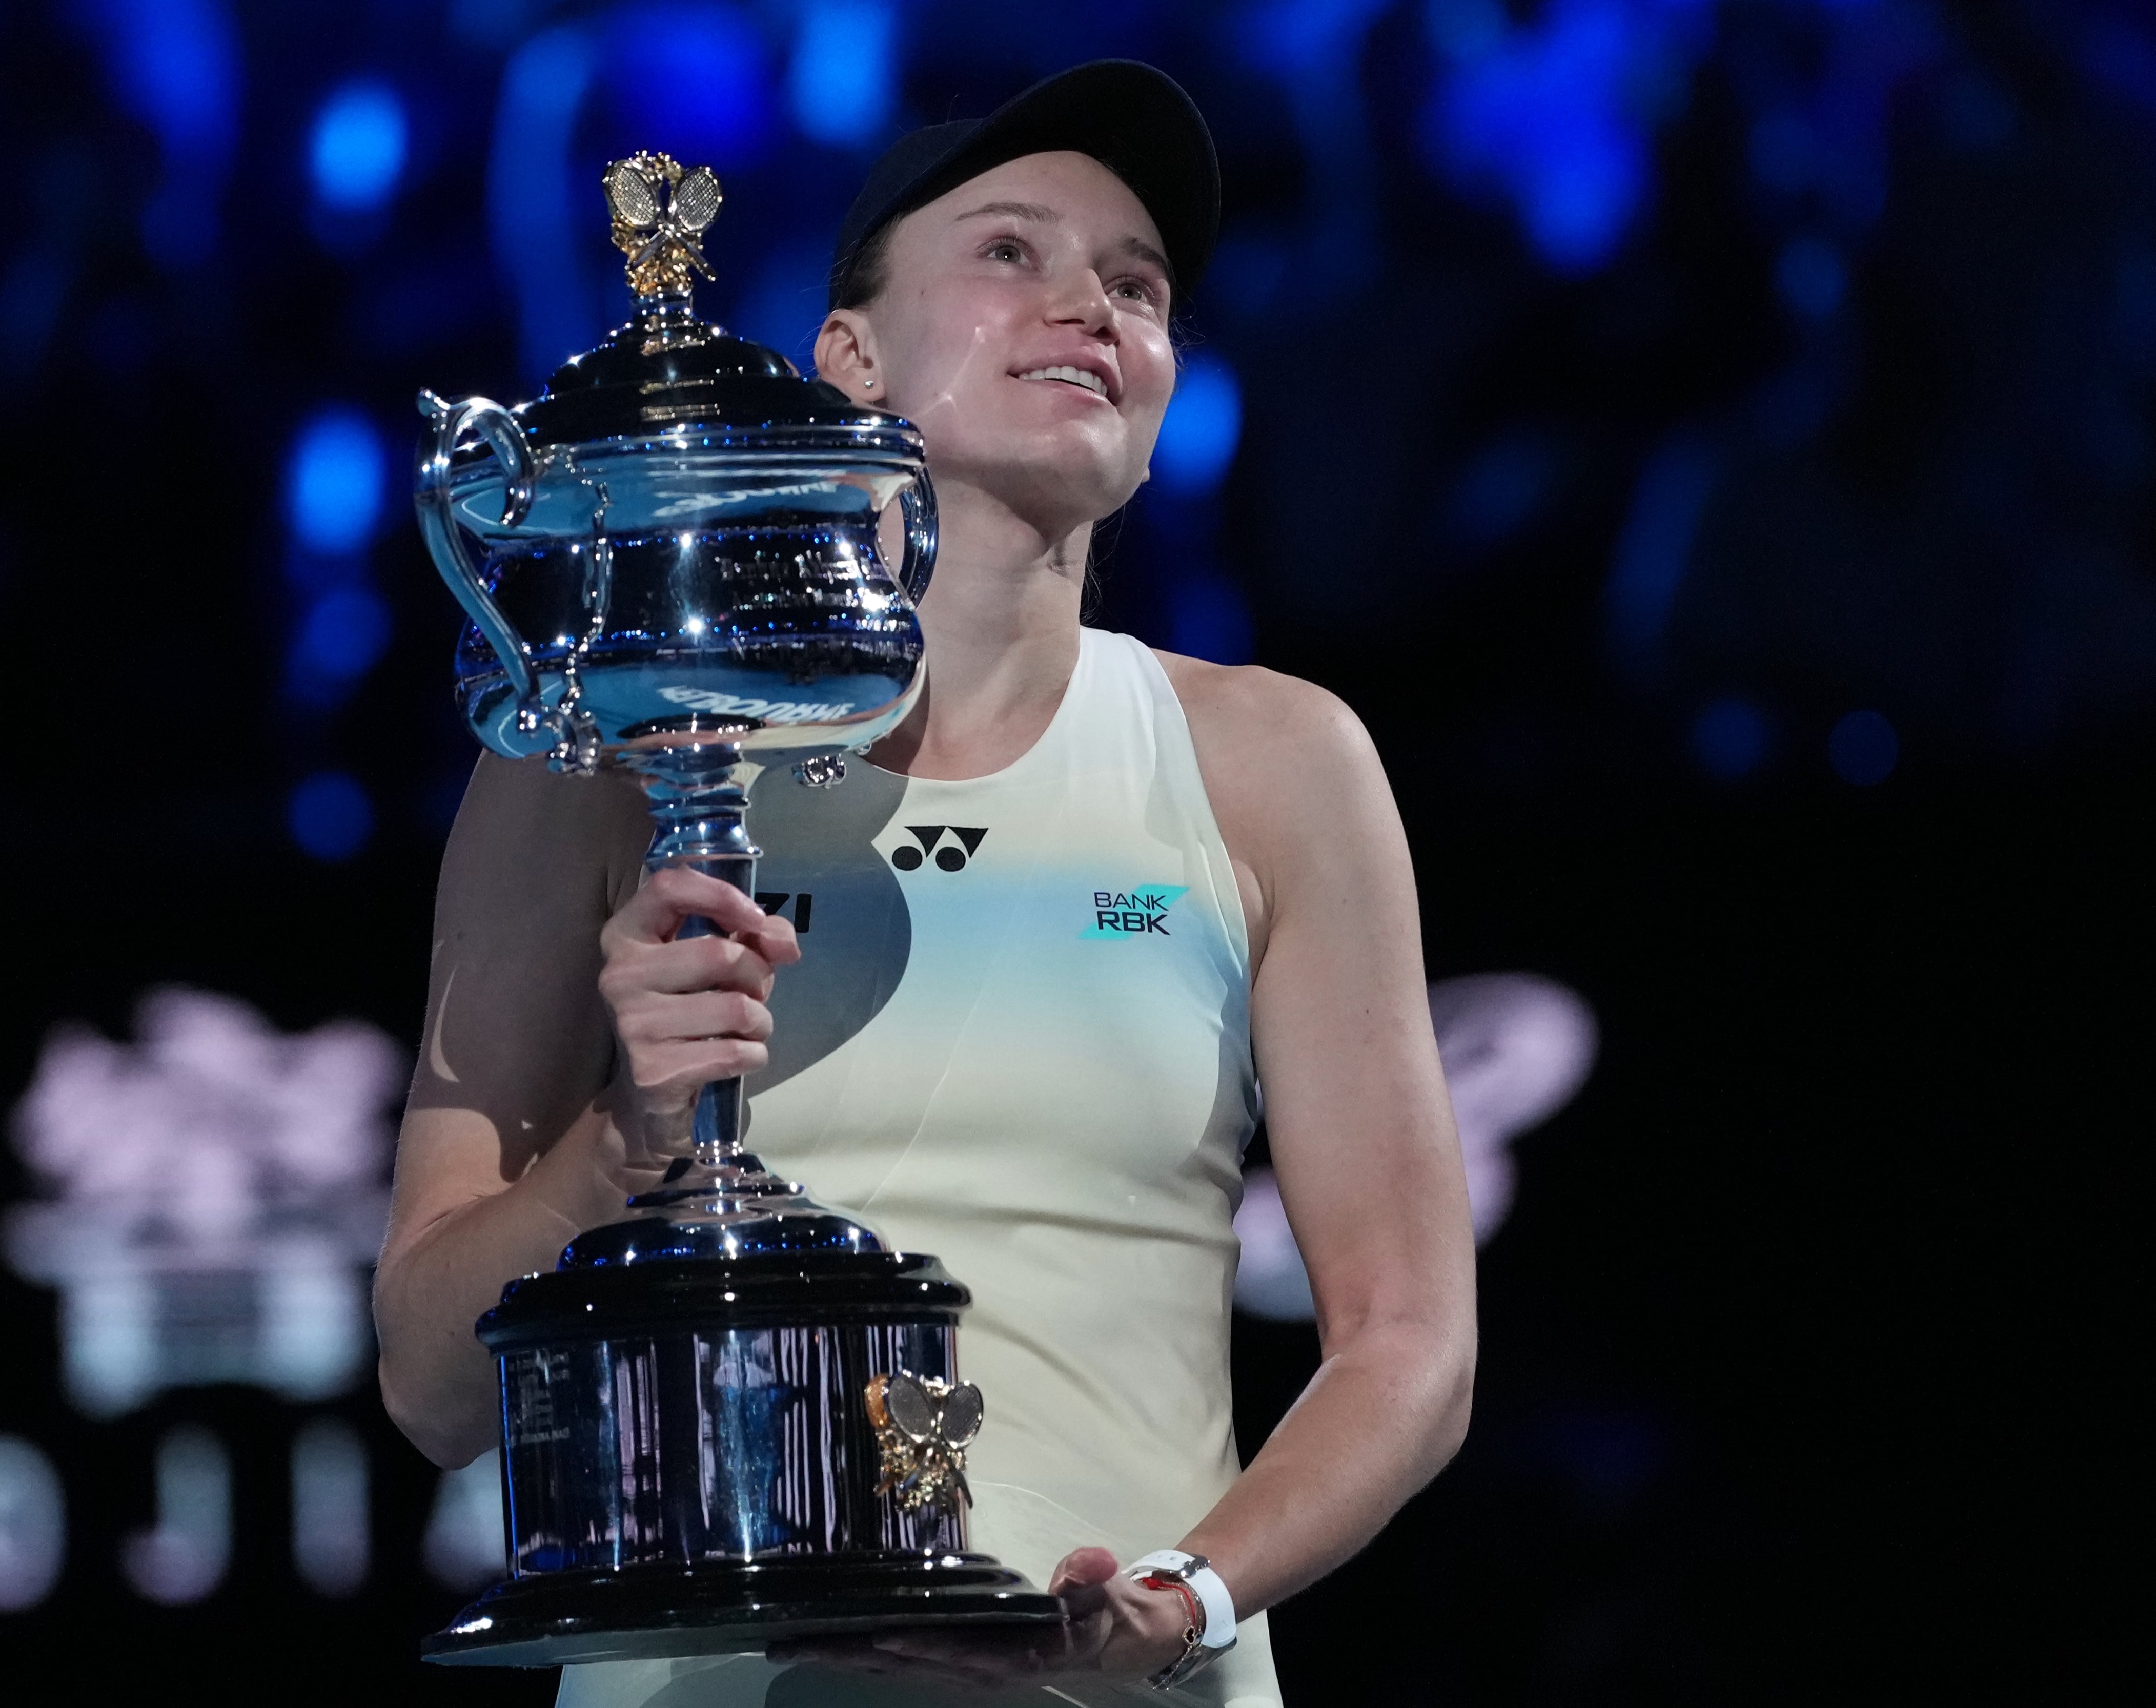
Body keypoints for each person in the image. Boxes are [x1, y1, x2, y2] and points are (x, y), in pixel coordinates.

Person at [374, 60, 1475, 1708]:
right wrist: (622, 1152)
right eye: (1014, 253)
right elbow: (431, 1388)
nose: (1091, 303)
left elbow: (1411, 1348)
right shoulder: (603, 754)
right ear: (850, 359)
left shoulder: (1277, 766)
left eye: (1139, 281)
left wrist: (1188, 1592)